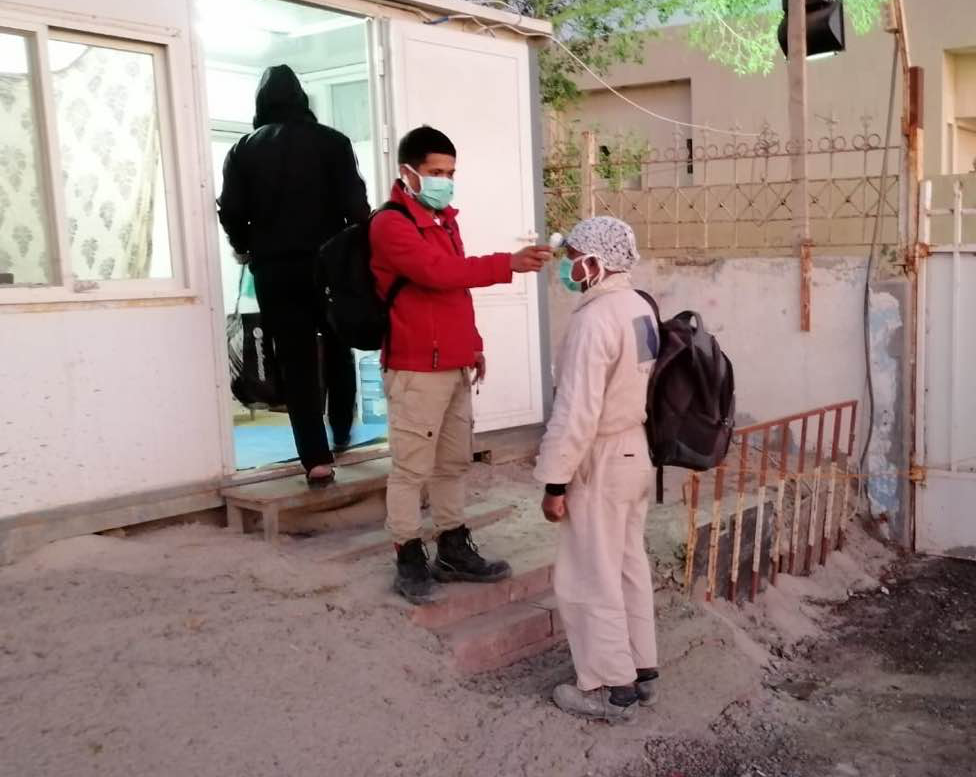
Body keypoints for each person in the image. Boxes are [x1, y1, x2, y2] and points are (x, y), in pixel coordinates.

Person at [370, 125, 552, 603]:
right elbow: (438, 273)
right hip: (415, 368)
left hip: (451, 364)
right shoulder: (390, 224)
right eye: (436, 172)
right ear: (408, 172)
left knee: (451, 463)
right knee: (411, 469)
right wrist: (506, 263)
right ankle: (408, 555)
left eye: (451, 173)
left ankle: (452, 548)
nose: (445, 181)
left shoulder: (444, 220)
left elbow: (455, 293)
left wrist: (473, 344)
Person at [218, 64, 369, 485]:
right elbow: (357, 207)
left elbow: (231, 210)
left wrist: (244, 245)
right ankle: (342, 428)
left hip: (276, 270)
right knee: (339, 342)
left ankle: (317, 460)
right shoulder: (334, 142)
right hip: (329, 265)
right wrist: (355, 253)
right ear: (303, 100)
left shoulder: (243, 150)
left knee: (296, 358)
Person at [534, 217, 660, 724]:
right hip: (635, 451)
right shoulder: (639, 306)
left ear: (595, 262)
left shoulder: (594, 320)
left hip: (602, 458)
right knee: (627, 565)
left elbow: (575, 412)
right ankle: (641, 669)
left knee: (591, 574)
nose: (567, 268)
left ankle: (611, 688)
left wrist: (555, 481)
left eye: (573, 258)